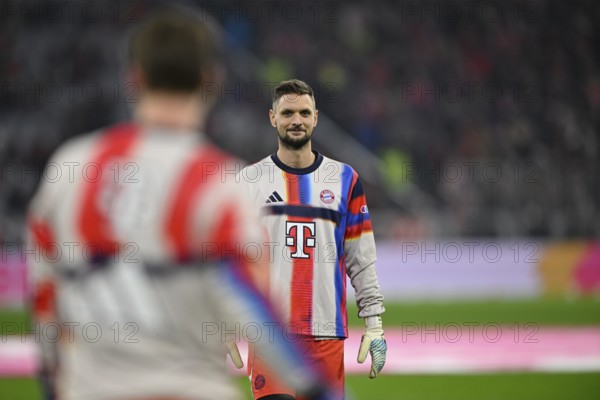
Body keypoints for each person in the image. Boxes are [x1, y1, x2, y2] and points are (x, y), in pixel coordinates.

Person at [27, 12, 331, 400]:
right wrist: (318, 390)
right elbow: (251, 308)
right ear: (211, 81)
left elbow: (46, 300)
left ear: (134, 79)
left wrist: (55, 386)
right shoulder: (221, 184)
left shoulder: (70, 168)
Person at [237, 79, 387, 400]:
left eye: (304, 112)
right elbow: (229, 258)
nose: (296, 120)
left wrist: (374, 324)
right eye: (287, 112)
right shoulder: (249, 181)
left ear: (316, 117)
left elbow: (361, 257)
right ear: (272, 117)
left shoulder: (345, 179)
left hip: (326, 334)